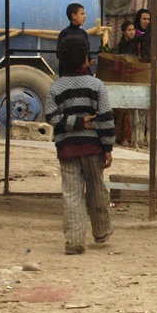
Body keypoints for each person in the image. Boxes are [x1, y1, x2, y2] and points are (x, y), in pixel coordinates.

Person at [44, 36, 114, 255]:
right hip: (93, 148)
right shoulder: (97, 85)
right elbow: (105, 118)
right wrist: (108, 147)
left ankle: (74, 241)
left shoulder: (56, 88)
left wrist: (74, 122)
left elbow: (51, 117)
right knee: (97, 190)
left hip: (67, 149)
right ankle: (101, 232)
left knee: (72, 194)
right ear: (86, 58)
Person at [56, 2, 89, 75]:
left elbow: (87, 51)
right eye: (82, 14)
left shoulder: (83, 33)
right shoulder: (65, 33)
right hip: (67, 73)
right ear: (74, 16)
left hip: (82, 72)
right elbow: (59, 54)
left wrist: (89, 60)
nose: (85, 16)